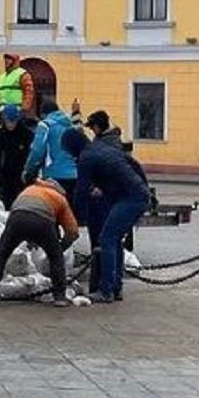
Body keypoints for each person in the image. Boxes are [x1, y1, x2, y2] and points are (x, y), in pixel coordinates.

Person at [62, 127, 150, 304]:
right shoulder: (100, 147)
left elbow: (81, 190)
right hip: (135, 193)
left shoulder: (86, 158)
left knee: (107, 238)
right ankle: (115, 287)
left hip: (130, 197)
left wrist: (75, 216)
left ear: (73, 147)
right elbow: (132, 164)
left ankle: (106, 290)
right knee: (114, 238)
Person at [0, 178, 79, 305]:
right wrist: (61, 247)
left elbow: (20, 211)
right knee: (56, 258)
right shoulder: (59, 198)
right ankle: (59, 297)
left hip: (16, 219)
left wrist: (30, 238)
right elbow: (73, 231)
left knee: (1, 254)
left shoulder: (28, 190)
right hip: (42, 221)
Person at [23, 99, 80, 203]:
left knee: (55, 211)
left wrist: (28, 170)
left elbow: (37, 151)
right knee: (70, 212)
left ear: (43, 114)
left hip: (54, 176)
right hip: (74, 175)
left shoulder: (45, 125)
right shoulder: (70, 125)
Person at [0, 104, 33, 208]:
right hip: (7, 176)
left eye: (13, 121)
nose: (11, 125)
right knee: (8, 205)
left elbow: (32, 155)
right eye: (8, 121)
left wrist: (29, 173)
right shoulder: (1, 134)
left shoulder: (26, 134)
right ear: (4, 120)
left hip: (22, 175)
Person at [0, 53, 36, 119]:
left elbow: (29, 92)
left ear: (15, 61)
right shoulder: (2, 76)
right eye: (5, 59)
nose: (6, 61)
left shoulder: (22, 74)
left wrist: (24, 109)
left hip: (17, 110)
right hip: (2, 111)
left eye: (9, 59)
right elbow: (1, 96)